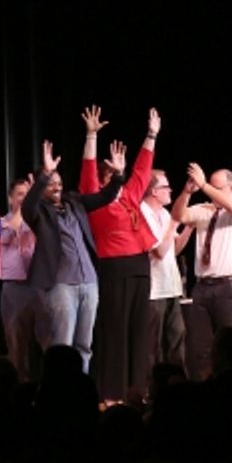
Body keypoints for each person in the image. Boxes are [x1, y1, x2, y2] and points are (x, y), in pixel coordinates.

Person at [78, 106, 160, 403]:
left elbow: (142, 170)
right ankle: (112, 392)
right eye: (111, 172)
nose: (117, 174)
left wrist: (151, 135)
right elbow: (87, 171)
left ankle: (136, 391)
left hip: (139, 267)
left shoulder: (129, 195)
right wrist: (91, 136)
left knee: (138, 331)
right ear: (102, 177)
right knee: (114, 330)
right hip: (113, 268)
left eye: (118, 171)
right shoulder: (94, 198)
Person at [22, 141, 125, 373]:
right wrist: (45, 173)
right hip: (61, 285)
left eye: (59, 182)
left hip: (89, 282)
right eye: (51, 183)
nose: (57, 187)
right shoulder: (38, 212)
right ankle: (61, 393)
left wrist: (118, 174)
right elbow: (28, 205)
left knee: (84, 345)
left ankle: (81, 390)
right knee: (63, 346)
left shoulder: (74, 202)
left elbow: (106, 196)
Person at [171, 164, 232, 380]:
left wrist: (204, 184)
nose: (210, 192)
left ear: (231, 188)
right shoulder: (205, 209)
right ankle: (205, 390)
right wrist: (188, 192)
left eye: (218, 188)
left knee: (230, 345)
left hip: (228, 286)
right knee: (201, 348)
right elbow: (179, 215)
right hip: (202, 287)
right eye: (210, 187)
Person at [140, 170, 189, 370]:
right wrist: (175, 223)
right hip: (153, 290)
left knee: (177, 339)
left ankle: (177, 383)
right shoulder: (142, 213)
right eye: (165, 187)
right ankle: (151, 390)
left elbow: (174, 250)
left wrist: (189, 228)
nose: (170, 190)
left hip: (171, 287)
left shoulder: (164, 213)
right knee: (153, 345)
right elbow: (159, 252)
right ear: (153, 191)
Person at [0, 177, 39, 382]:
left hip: (39, 286)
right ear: (11, 198)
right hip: (14, 288)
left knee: (42, 341)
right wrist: (24, 208)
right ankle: (18, 386)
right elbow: (6, 237)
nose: (24, 199)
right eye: (20, 195)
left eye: (27, 194)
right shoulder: (2, 221)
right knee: (16, 342)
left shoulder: (40, 220)